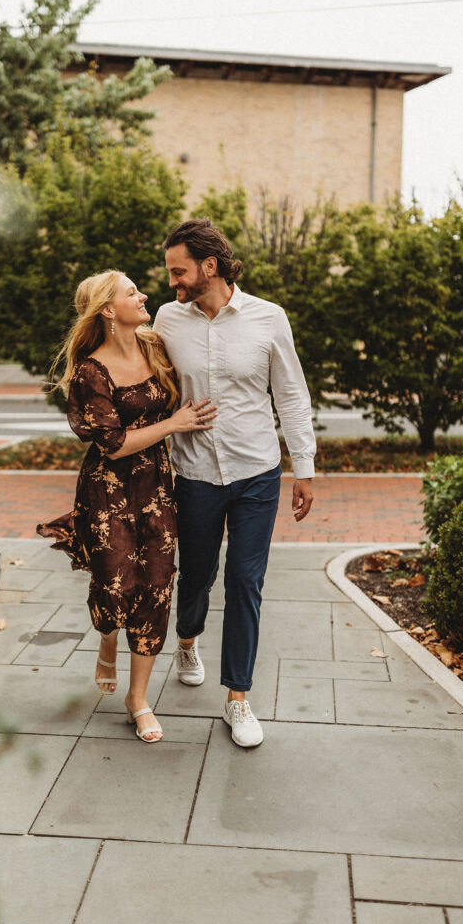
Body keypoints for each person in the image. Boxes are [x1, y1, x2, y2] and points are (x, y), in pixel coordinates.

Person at [154, 219, 316, 748]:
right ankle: (187, 639)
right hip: (196, 475)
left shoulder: (269, 318)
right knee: (197, 575)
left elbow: (291, 395)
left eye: (179, 271)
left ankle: (238, 699)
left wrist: (304, 466)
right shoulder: (166, 320)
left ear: (210, 265)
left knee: (245, 582)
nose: (172, 282)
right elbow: (152, 388)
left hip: (257, 474)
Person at [37, 269, 216, 743]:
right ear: (107, 311)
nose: (144, 296)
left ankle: (138, 699)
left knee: (156, 586)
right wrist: (175, 423)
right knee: (117, 584)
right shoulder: (90, 372)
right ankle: (108, 638)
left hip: (157, 488)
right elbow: (113, 444)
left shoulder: (155, 346)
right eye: (131, 292)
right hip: (107, 491)